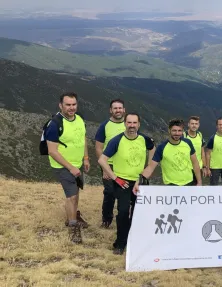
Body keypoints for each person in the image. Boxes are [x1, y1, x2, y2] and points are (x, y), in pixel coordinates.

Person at [98, 113, 155, 255]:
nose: (132, 126)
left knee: (139, 212)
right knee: (123, 212)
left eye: (134, 123)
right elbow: (102, 160)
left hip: (139, 181)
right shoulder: (117, 140)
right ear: (125, 123)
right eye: (129, 122)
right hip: (122, 182)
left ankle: (135, 240)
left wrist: (147, 169)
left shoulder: (144, 139)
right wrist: (115, 177)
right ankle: (120, 243)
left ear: (139, 124)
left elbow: (153, 148)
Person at [45, 92, 89, 244]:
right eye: (68, 105)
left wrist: (86, 158)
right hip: (63, 166)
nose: (71, 108)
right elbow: (52, 151)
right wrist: (70, 168)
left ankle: (72, 217)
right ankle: (73, 227)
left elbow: (82, 138)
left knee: (76, 193)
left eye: (74, 104)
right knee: (71, 196)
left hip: (77, 164)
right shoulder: (55, 124)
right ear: (60, 105)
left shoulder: (80, 119)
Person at [134, 118, 202, 190]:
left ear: (182, 131)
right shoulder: (162, 148)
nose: (177, 133)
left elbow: (195, 163)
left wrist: (199, 182)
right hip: (171, 186)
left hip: (189, 184)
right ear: (169, 131)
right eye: (174, 130)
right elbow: (151, 167)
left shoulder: (188, 143)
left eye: (179, 131)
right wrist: (139, 181)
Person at [94, 98, 126, 228]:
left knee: (124, 192)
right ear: (110, 110)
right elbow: (98, 148)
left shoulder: (129, 124)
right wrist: (104, 168)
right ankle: (106, 219)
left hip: (126, 164)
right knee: (109, 192)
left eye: (120, 108)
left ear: (124, 110)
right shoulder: (104, 126)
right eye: (115, 108)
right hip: (109, 164)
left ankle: (123, 218)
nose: (118, 110)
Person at [184, 116, 206, 184]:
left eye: (196, 124)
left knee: (197, 188)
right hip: (187, 168)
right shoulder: (184, 136)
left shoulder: (200, 135)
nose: (194, 125)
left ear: (198, 125)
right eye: (192, 123)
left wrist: (204, 167)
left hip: (198, 168)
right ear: (188, 124)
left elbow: (202, 152)